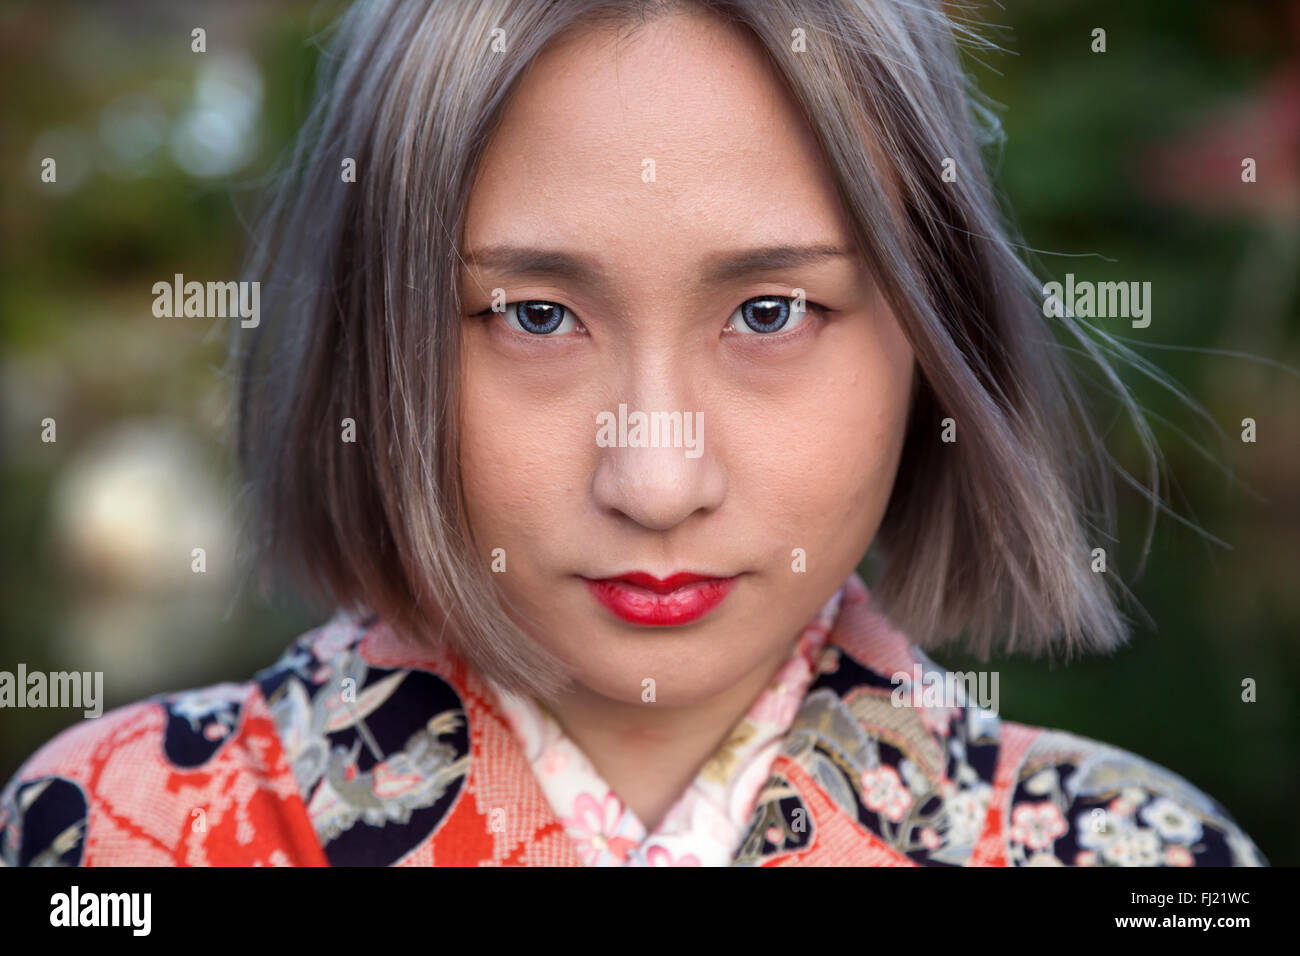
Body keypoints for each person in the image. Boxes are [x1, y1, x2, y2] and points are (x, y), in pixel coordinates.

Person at [0, 0, 1267, 867]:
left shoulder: (1137, 851)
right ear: (373, 346)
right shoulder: (110, 831)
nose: (657, 480)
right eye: (534, 314)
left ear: (934, 344)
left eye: (771, 310)